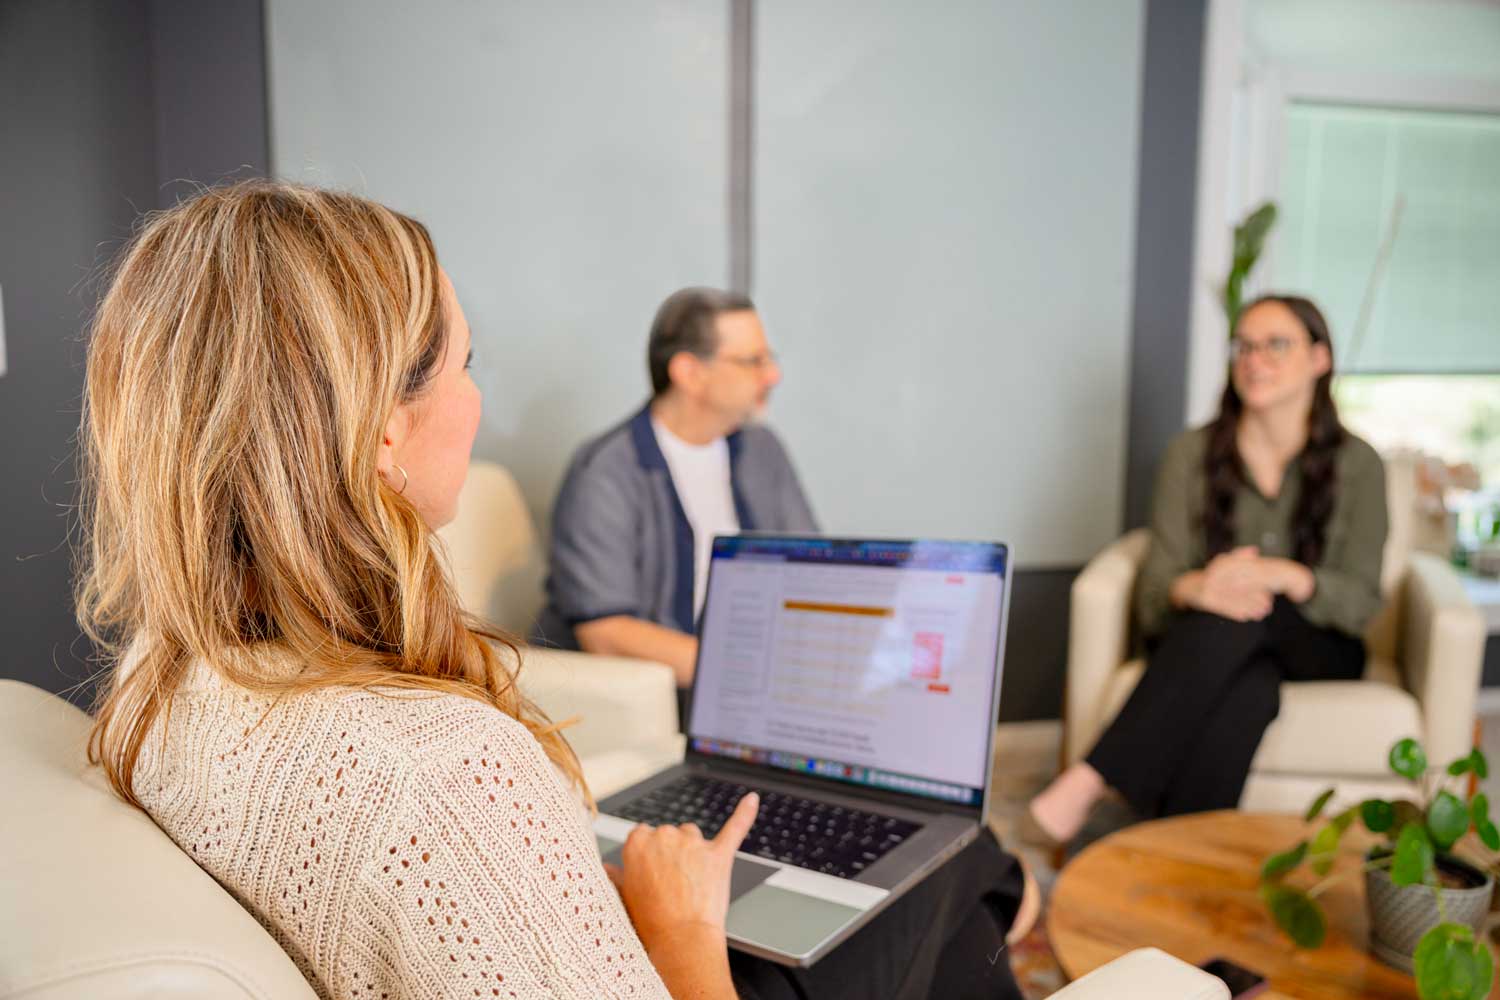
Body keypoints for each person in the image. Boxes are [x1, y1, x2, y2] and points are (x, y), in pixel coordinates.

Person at [79, 182, 1027, 1000]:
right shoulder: (447, 780)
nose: (478, 398)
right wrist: (685, 929)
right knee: (960, 862)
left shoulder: (154, 681)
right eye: (466, 362)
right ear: (380, 432)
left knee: (941, 873)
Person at [1025, 294, 1389, 846]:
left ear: (1320, 359)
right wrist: (1202, 585)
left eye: (1276, 344)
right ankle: (1178, 851)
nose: (1254, 359)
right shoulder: (1189, 456)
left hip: (1320, 643)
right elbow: (1155, 589)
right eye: (1243, 345)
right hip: (1214, 636)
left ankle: (1092, 776)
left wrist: (1287, 576)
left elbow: (1362, 601)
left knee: (1250, 610)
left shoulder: (1359, 464)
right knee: (1248, 688)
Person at [534, 287, 817, 701]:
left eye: (770, 360)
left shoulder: (762, 450)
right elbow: (605, 632)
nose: (772, 376)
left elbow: (807, 572)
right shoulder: (605, 471)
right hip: (657, 705)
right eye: (753, 361)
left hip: (751, 693)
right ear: (689, 373)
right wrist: (742, 673)